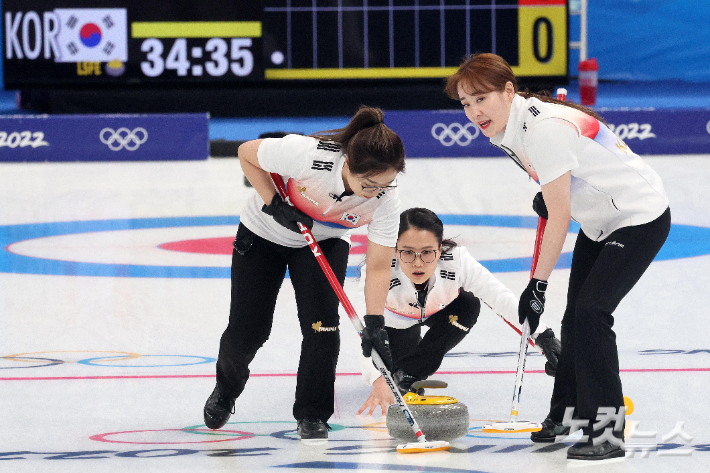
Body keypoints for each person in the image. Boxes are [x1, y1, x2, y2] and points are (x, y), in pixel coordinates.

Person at [445, 53, 671, 460]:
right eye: (465, 103)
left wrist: (538, 283)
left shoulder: (545, 128)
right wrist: (551, 190)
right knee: (575, 318)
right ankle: (568, 412)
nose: (473, 112)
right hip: (599, 219)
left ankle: (607, 433)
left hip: (638, 216)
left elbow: (561, 214)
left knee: (591, 314)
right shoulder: (505, 125)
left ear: (509, 91)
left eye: (481, 99)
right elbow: (566, 181)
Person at [203, 106, 404, 441]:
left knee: (322, 328)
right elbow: (246, 154)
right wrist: (275, 205)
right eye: (367, 184)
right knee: (249, 330)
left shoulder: (387, 198)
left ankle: (312, 414)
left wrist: (375, 322)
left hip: (324, 242)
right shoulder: (307, 156)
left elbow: (380, 264)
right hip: (264, 232)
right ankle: (226, 389)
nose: (374, 192)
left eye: (384, 184)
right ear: (348, 164)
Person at [356, 207, 562, 416]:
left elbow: (499, 297)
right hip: (394, 323)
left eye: (427, 252)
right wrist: (378, 377)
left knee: (468, 304)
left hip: (443, 311)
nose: (417, 263)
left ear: (440, 248)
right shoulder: (378, 271)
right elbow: (366, 332)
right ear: (394, 249)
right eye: (408, 252)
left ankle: (408, 374)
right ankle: (402, 369)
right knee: (390, 368)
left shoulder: (456, 262)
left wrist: (543, 336)